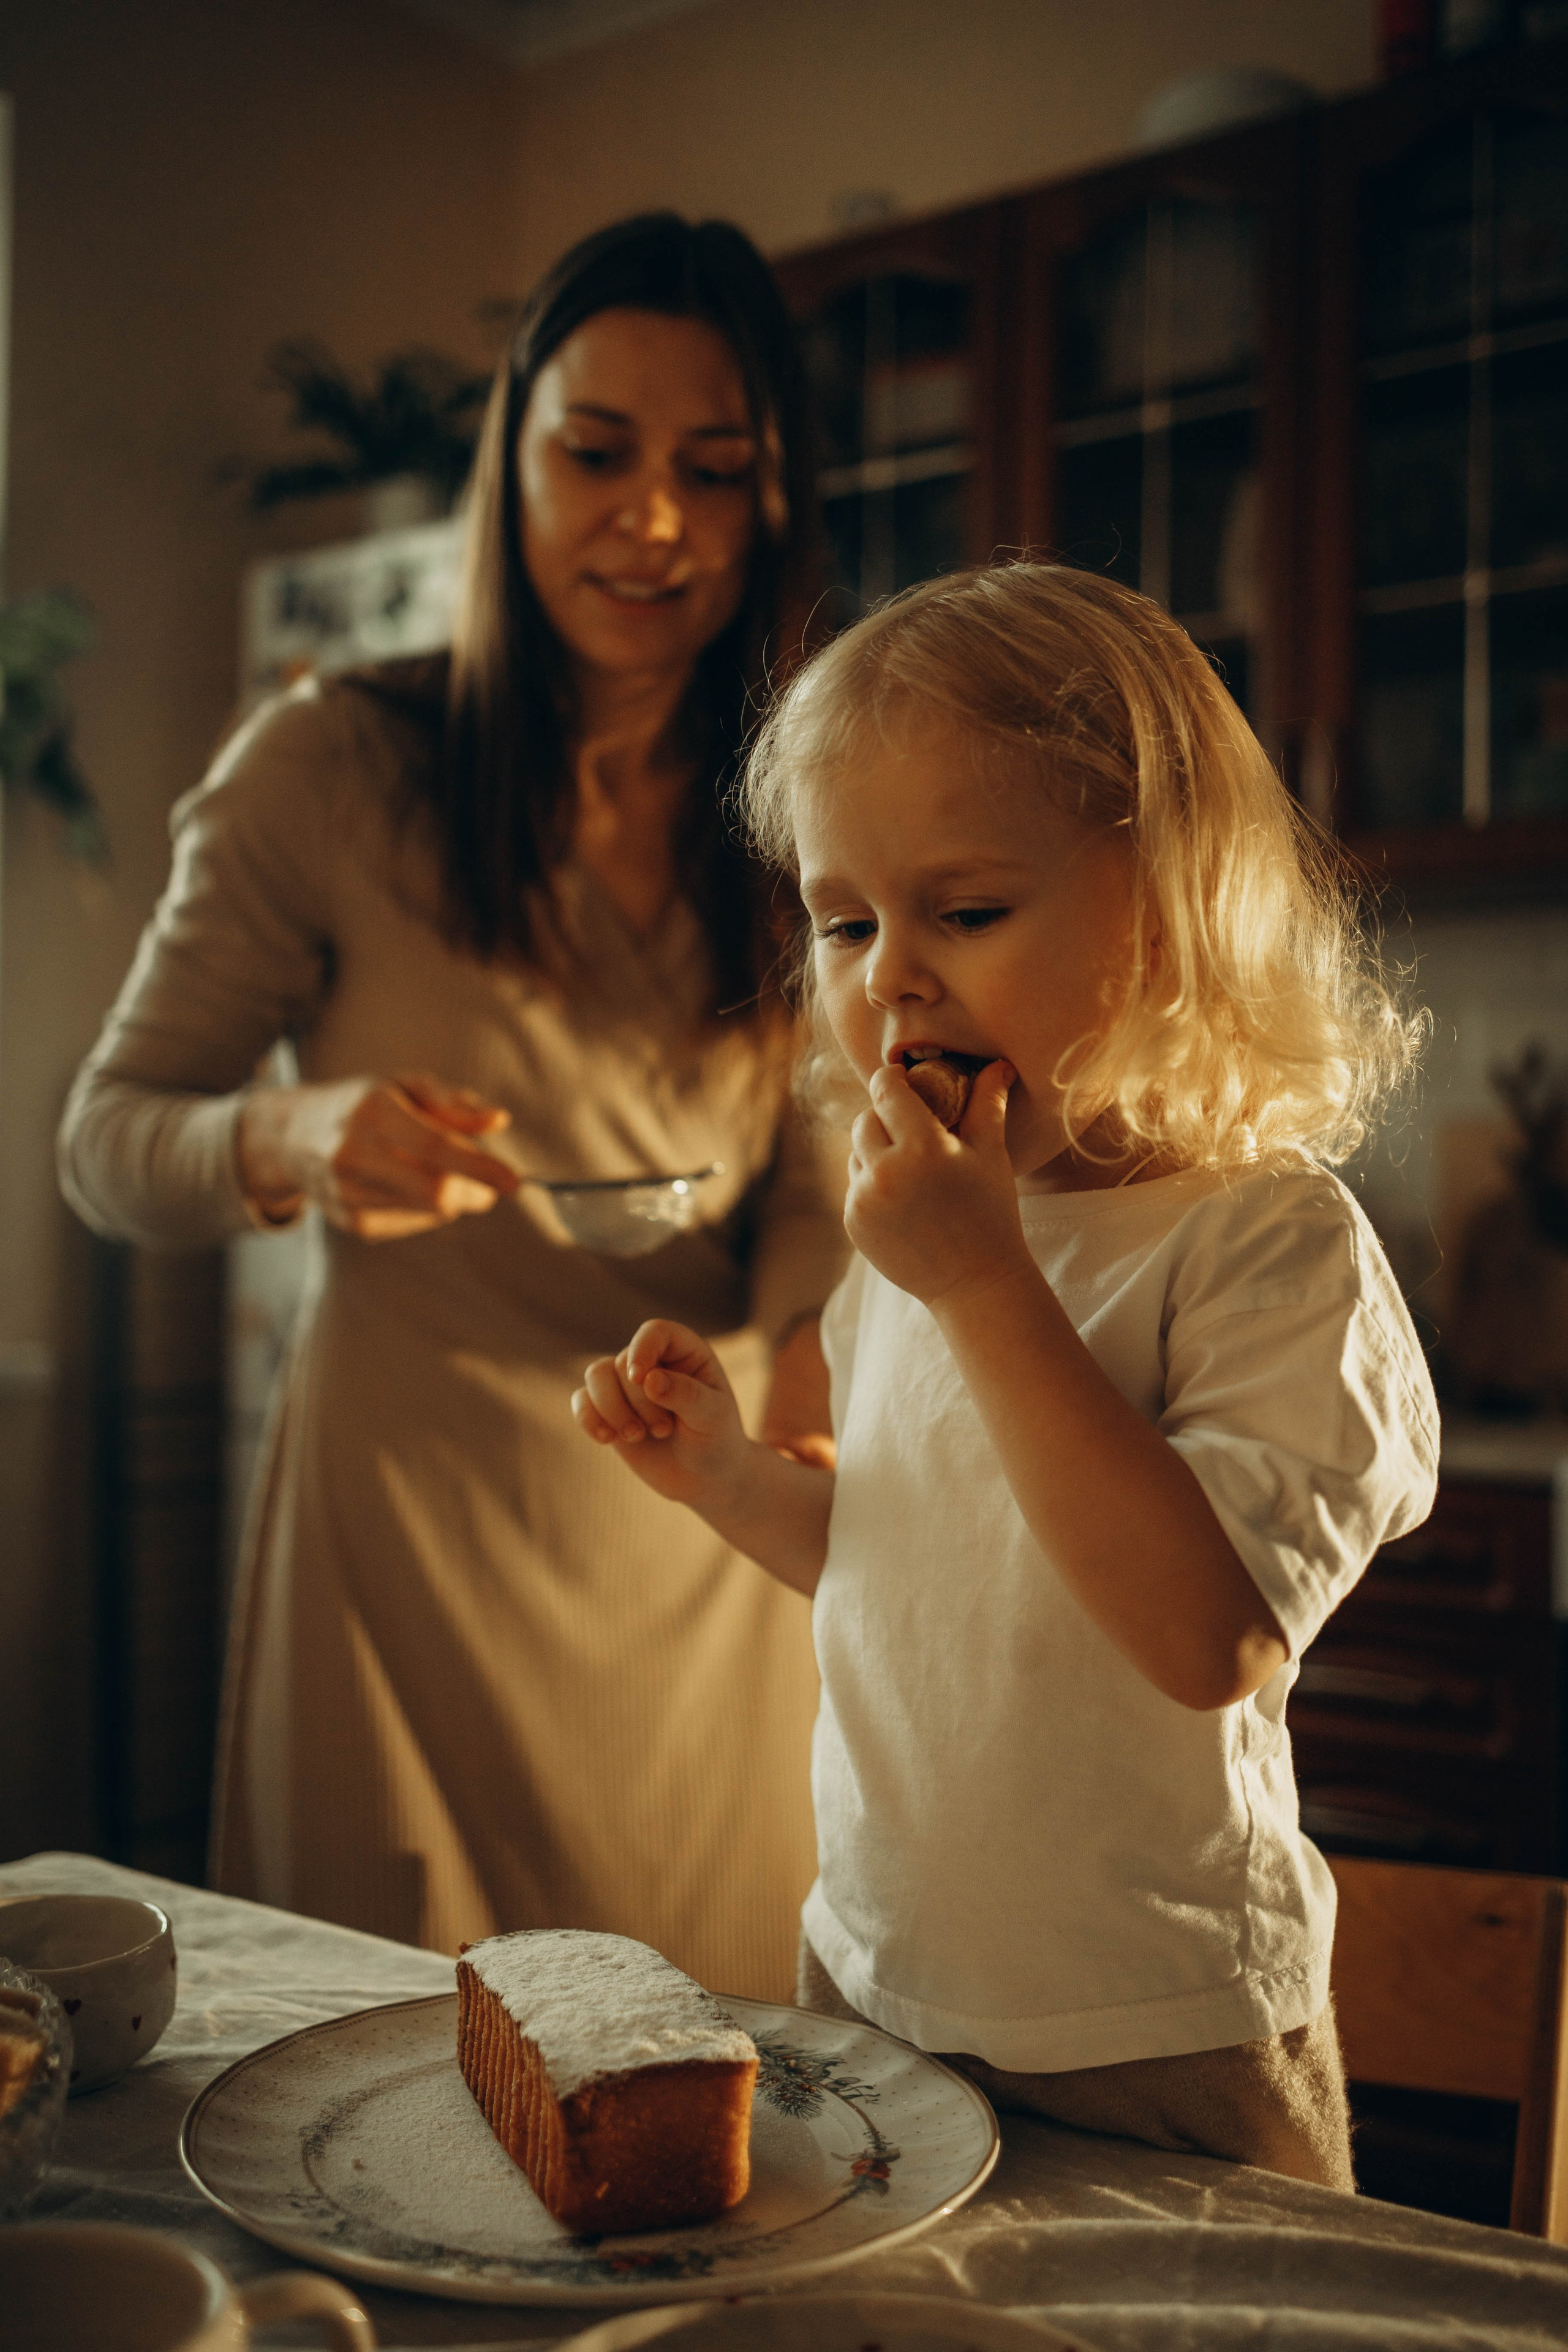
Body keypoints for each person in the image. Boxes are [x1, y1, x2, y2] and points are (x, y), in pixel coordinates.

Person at [572, 561, 1439, 2184]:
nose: (889, 976)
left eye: (965, 914)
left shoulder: (1262, 1245)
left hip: (1156, 2024)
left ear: (1172, 918)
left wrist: (982, 1288)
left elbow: (1208, 1635)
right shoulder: (925, 1237)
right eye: (844, 922)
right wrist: (732, 1482)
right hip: (879, 1980)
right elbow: (910, 1570)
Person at [58, 214, 848, 1996]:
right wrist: (290, 1136)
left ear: (772, 507)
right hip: (404, 1565)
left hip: (703, 1550)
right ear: (511, 469)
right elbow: (108, 1141)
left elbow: (814, 1164)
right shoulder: (329, 766)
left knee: (713, 2103)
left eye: (713, 471)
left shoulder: (807, 820)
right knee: (382, 2093)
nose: (653, 517)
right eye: (597, 455)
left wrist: (807, 1327)